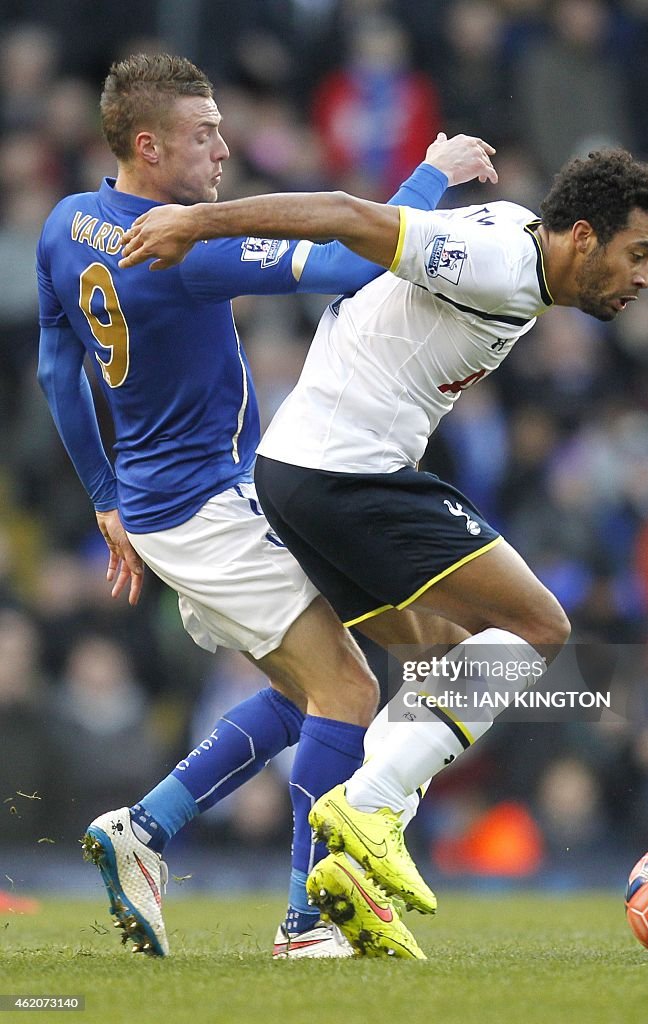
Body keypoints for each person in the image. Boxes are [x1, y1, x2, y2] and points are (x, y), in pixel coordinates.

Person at [119, 144, 648, 944]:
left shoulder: (518, 244)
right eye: (639, 254)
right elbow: (350, 219)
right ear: (583, 236)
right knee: (542, 630)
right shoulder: (496, 261)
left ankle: (340, 875)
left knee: (445, 662)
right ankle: (369, 811)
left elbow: (390, 250)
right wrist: (198, 222)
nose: (646, 278)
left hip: (302, 470)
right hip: (346, 472)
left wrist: (434, 172)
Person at [36, 52, 497, 960]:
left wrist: (103, 498)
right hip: (204, 504)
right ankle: (305, 922)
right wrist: (430, 176)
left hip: (170, 501)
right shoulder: (182, 248)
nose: (223, 148)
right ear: (147, 145)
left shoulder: (67, 222)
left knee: (302, 692)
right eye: (203, 134)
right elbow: (344, 264)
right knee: (350, 687)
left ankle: (147, 829)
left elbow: (59, 366)